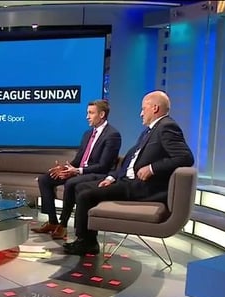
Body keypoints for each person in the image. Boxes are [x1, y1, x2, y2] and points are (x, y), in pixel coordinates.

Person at [63, 90, 195, 255]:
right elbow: (130, 160)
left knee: (86, 194)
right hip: (127, 181)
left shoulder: (167, 127)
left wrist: (152, 168)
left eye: (143, 109)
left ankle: (85, 242)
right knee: (81, 187)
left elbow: (185, 157)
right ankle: (87, 239)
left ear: (155, 108)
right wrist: (112, 177)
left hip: (143, 187)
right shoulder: (150, 130)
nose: (141, 113)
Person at [32, 99, 121, 240]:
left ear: (102, 114)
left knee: (71, 183)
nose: (87, 116)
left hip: (97, 174)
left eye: (91, 113)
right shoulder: (87, 134)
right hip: (80, 171)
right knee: (45, 179)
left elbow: (104, 165)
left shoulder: (112, 135)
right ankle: (52, 222)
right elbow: (79, 159)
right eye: (87, 113)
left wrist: (77, 171)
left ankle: (63, 225)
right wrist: (65, 168)